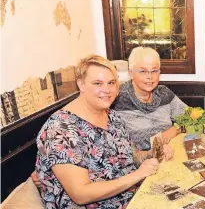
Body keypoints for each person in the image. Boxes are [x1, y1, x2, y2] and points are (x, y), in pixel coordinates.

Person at [35, 55, 159, 208]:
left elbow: (131, 156)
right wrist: (138, 175)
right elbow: (81, 194)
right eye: (98, 83)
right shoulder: (61, 129)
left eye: (111, 83)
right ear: (81, 85)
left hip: (133, 197)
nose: (107, 90)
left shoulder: (112, 116)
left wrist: (154, 153)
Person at [113, 47, 186, 164]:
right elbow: (123, 153)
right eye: (142, 71)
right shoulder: (117, 99)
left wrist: (174, 130)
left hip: (171, 157)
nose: (150, 76)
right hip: (140, 166)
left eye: (154, 71)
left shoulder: (164, 93)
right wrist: (157, 146)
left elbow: (191, 118)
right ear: (131, 73)